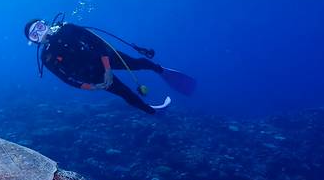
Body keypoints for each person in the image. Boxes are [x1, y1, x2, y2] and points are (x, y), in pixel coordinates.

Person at [24, 17, 196, 114]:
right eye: (34, 34)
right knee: (124, 93)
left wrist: (107, 68)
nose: (40, 32)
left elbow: (98, 43)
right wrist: (89, 87)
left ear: (45, 23)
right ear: (34, 41)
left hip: (105, 57)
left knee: (137, 64)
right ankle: (151, 111)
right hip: (92, 76)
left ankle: (160, 70)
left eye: (39, 27)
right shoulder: (46, 58)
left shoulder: (67, 28)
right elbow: (65, 78)